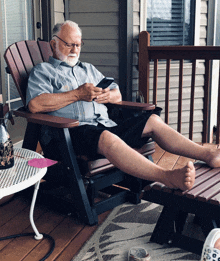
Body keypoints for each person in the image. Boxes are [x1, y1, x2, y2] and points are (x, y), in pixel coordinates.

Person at [26, 20, 220, 192]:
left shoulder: (88, 69)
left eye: (78, 45)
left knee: (152, 119)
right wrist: (77, 94)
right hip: (72, 134)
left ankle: (207, 153)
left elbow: (117, 93)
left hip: (106, 123)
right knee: (106, 137)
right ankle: (166, 177)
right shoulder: (43, 72)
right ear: (53, 44)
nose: (75, 50)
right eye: (69, 44)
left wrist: (108, 96)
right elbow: (35, 105)